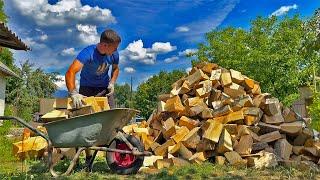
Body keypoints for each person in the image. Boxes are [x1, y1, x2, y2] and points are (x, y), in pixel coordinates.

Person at [65, 29, 121, 109]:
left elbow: (115, 69)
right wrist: (73, 93)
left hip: (104, 88)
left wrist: (112, 82)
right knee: (86, 115)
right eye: (114, 48)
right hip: (87, 88)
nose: (116, 50)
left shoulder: (114, 54)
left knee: (112, 113)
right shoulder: (87, 53)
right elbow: (71, 72)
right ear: (105, 45)